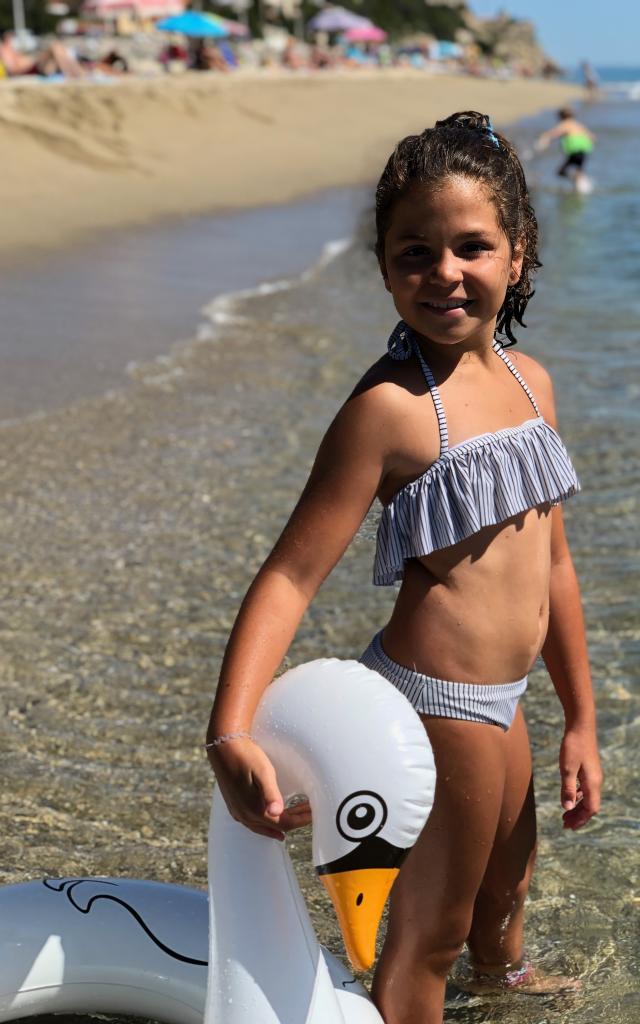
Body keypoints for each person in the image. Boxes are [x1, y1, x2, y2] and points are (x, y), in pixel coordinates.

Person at [205, 111, 602, 1024]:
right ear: (382, 264)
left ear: (518, 251)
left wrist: (580, 716)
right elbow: (289, 576)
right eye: (414, 253)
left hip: (507, 706)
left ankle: (506, 997)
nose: (445, 273)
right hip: (435, 701)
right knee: (430, 932)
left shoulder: (531, 383)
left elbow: (554, 569)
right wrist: (231, 731)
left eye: (472, 246)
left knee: (507, 898)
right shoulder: (387, 412)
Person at [537, 107, 595, 192]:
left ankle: (576, 181)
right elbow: (592, 137)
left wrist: (544, 138)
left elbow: (554, 133)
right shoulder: (578, 124)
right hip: (584, 152)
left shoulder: (565, 124)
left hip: (574, 152)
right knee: (579, 172)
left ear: (560, 117)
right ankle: (581, 187)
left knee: (561, 172)